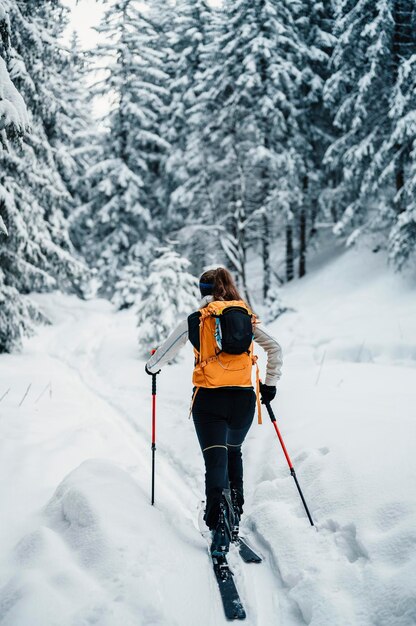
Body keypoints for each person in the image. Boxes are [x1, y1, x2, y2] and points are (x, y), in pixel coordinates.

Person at [145, 267, 282, 556]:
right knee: (234, 452)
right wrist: (269, 386)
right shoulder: (245, 317)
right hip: (244, 401)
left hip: (209, 402)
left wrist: (151, 366)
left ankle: (218, 523)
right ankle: (235, 518)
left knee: (215, 461)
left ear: (203, 291)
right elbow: (276, 348)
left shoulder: (196, 320)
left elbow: (163, 355)